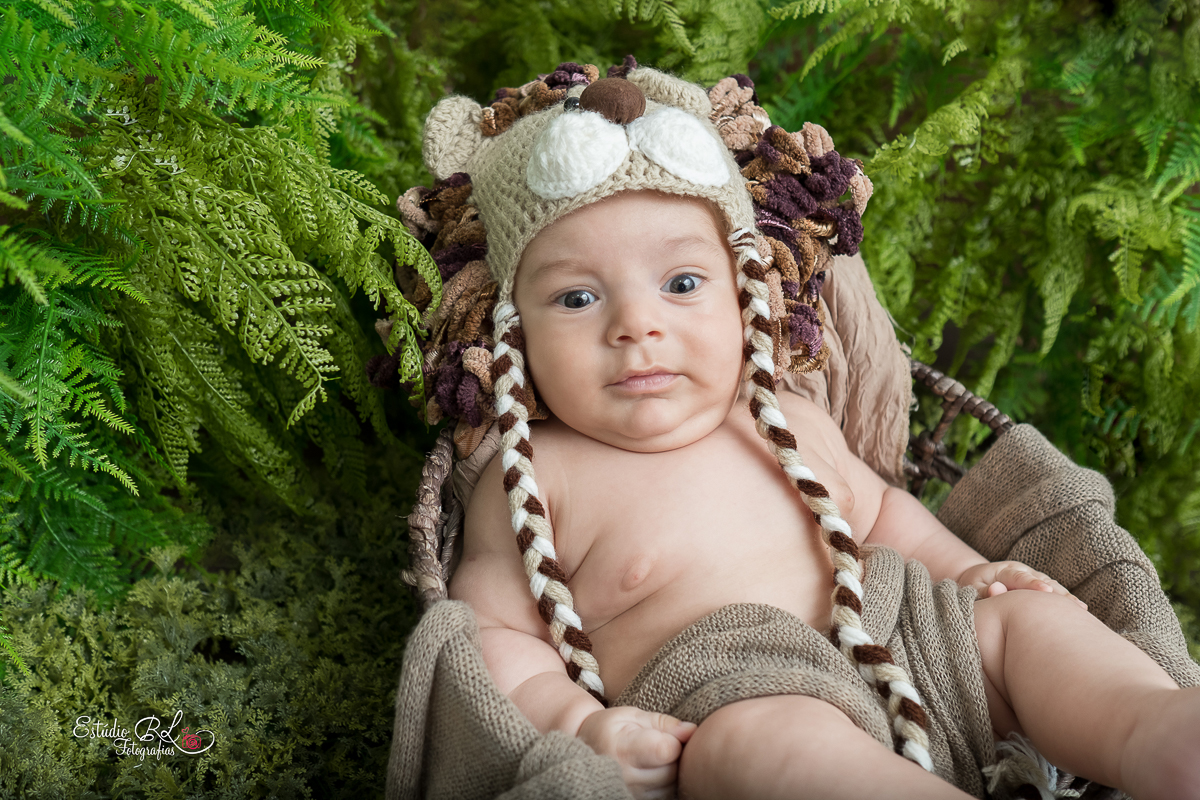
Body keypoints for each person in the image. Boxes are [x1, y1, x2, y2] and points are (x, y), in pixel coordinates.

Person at [411, 63, 1200, 800]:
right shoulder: (534, 475)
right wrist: (579, 723)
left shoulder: (783, 412)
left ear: (747, 292)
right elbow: (497, 639)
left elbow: (885, 515)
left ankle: (1153, 730)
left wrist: (975, 572)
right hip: (735, 689)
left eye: (683, 284)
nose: (636, 327)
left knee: (1031, 629)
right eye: (578, 299)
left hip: (903, 624)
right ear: (510, 334)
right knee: (754, 750)